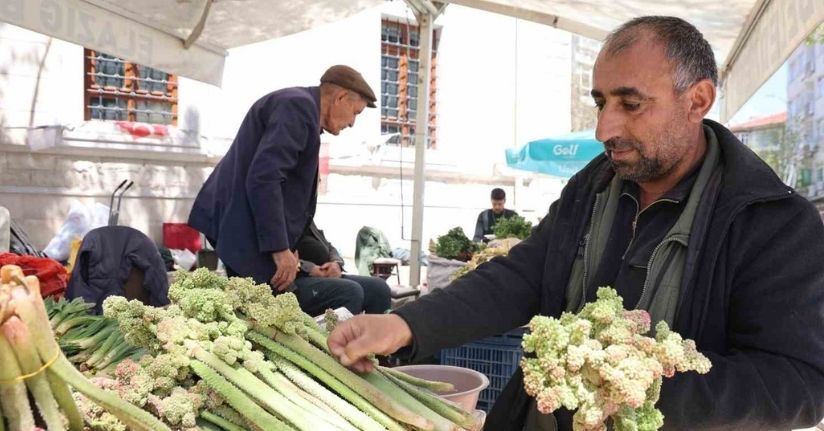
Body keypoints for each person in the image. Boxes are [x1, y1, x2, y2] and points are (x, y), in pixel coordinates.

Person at [328, 16, 824, 430]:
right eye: (601, 102)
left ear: (697, 100)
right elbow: (522, 276)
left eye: (631, 104)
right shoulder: (596, 183)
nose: (605, 128)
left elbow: (802, 382)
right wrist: (407, 323)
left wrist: (639, 388)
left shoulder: (772, 223)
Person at [188, 65, 376, 291]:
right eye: (356, 112)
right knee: (262, 307)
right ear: (341, 97)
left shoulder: (302, 107)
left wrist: (298, 258)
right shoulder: (298, 107)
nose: (353, 123)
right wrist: (280, 249)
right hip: (240, 224)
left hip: (248, 225)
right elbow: (265, 178)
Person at [292, 220, 391, 316]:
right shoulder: (282, 214)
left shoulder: (305, 215)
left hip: (325, 274)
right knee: (350, 291)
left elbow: (329, 245)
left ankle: (373, 332)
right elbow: (280, 257)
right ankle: (340, 332)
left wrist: (336, 263)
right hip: (295, 278)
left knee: (378, 288)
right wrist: (309, 268)